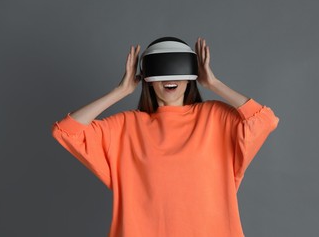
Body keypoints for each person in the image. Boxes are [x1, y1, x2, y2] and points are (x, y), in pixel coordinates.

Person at [51, 37, 279, 237]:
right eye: (160, 72)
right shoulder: (126, 127)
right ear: (148, 78)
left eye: (177, 69)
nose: (170, 78)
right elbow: (67, 131)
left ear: (190, 75)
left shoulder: (215, 117)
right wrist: (120, 91)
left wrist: (214, 84)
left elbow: (264, 120)